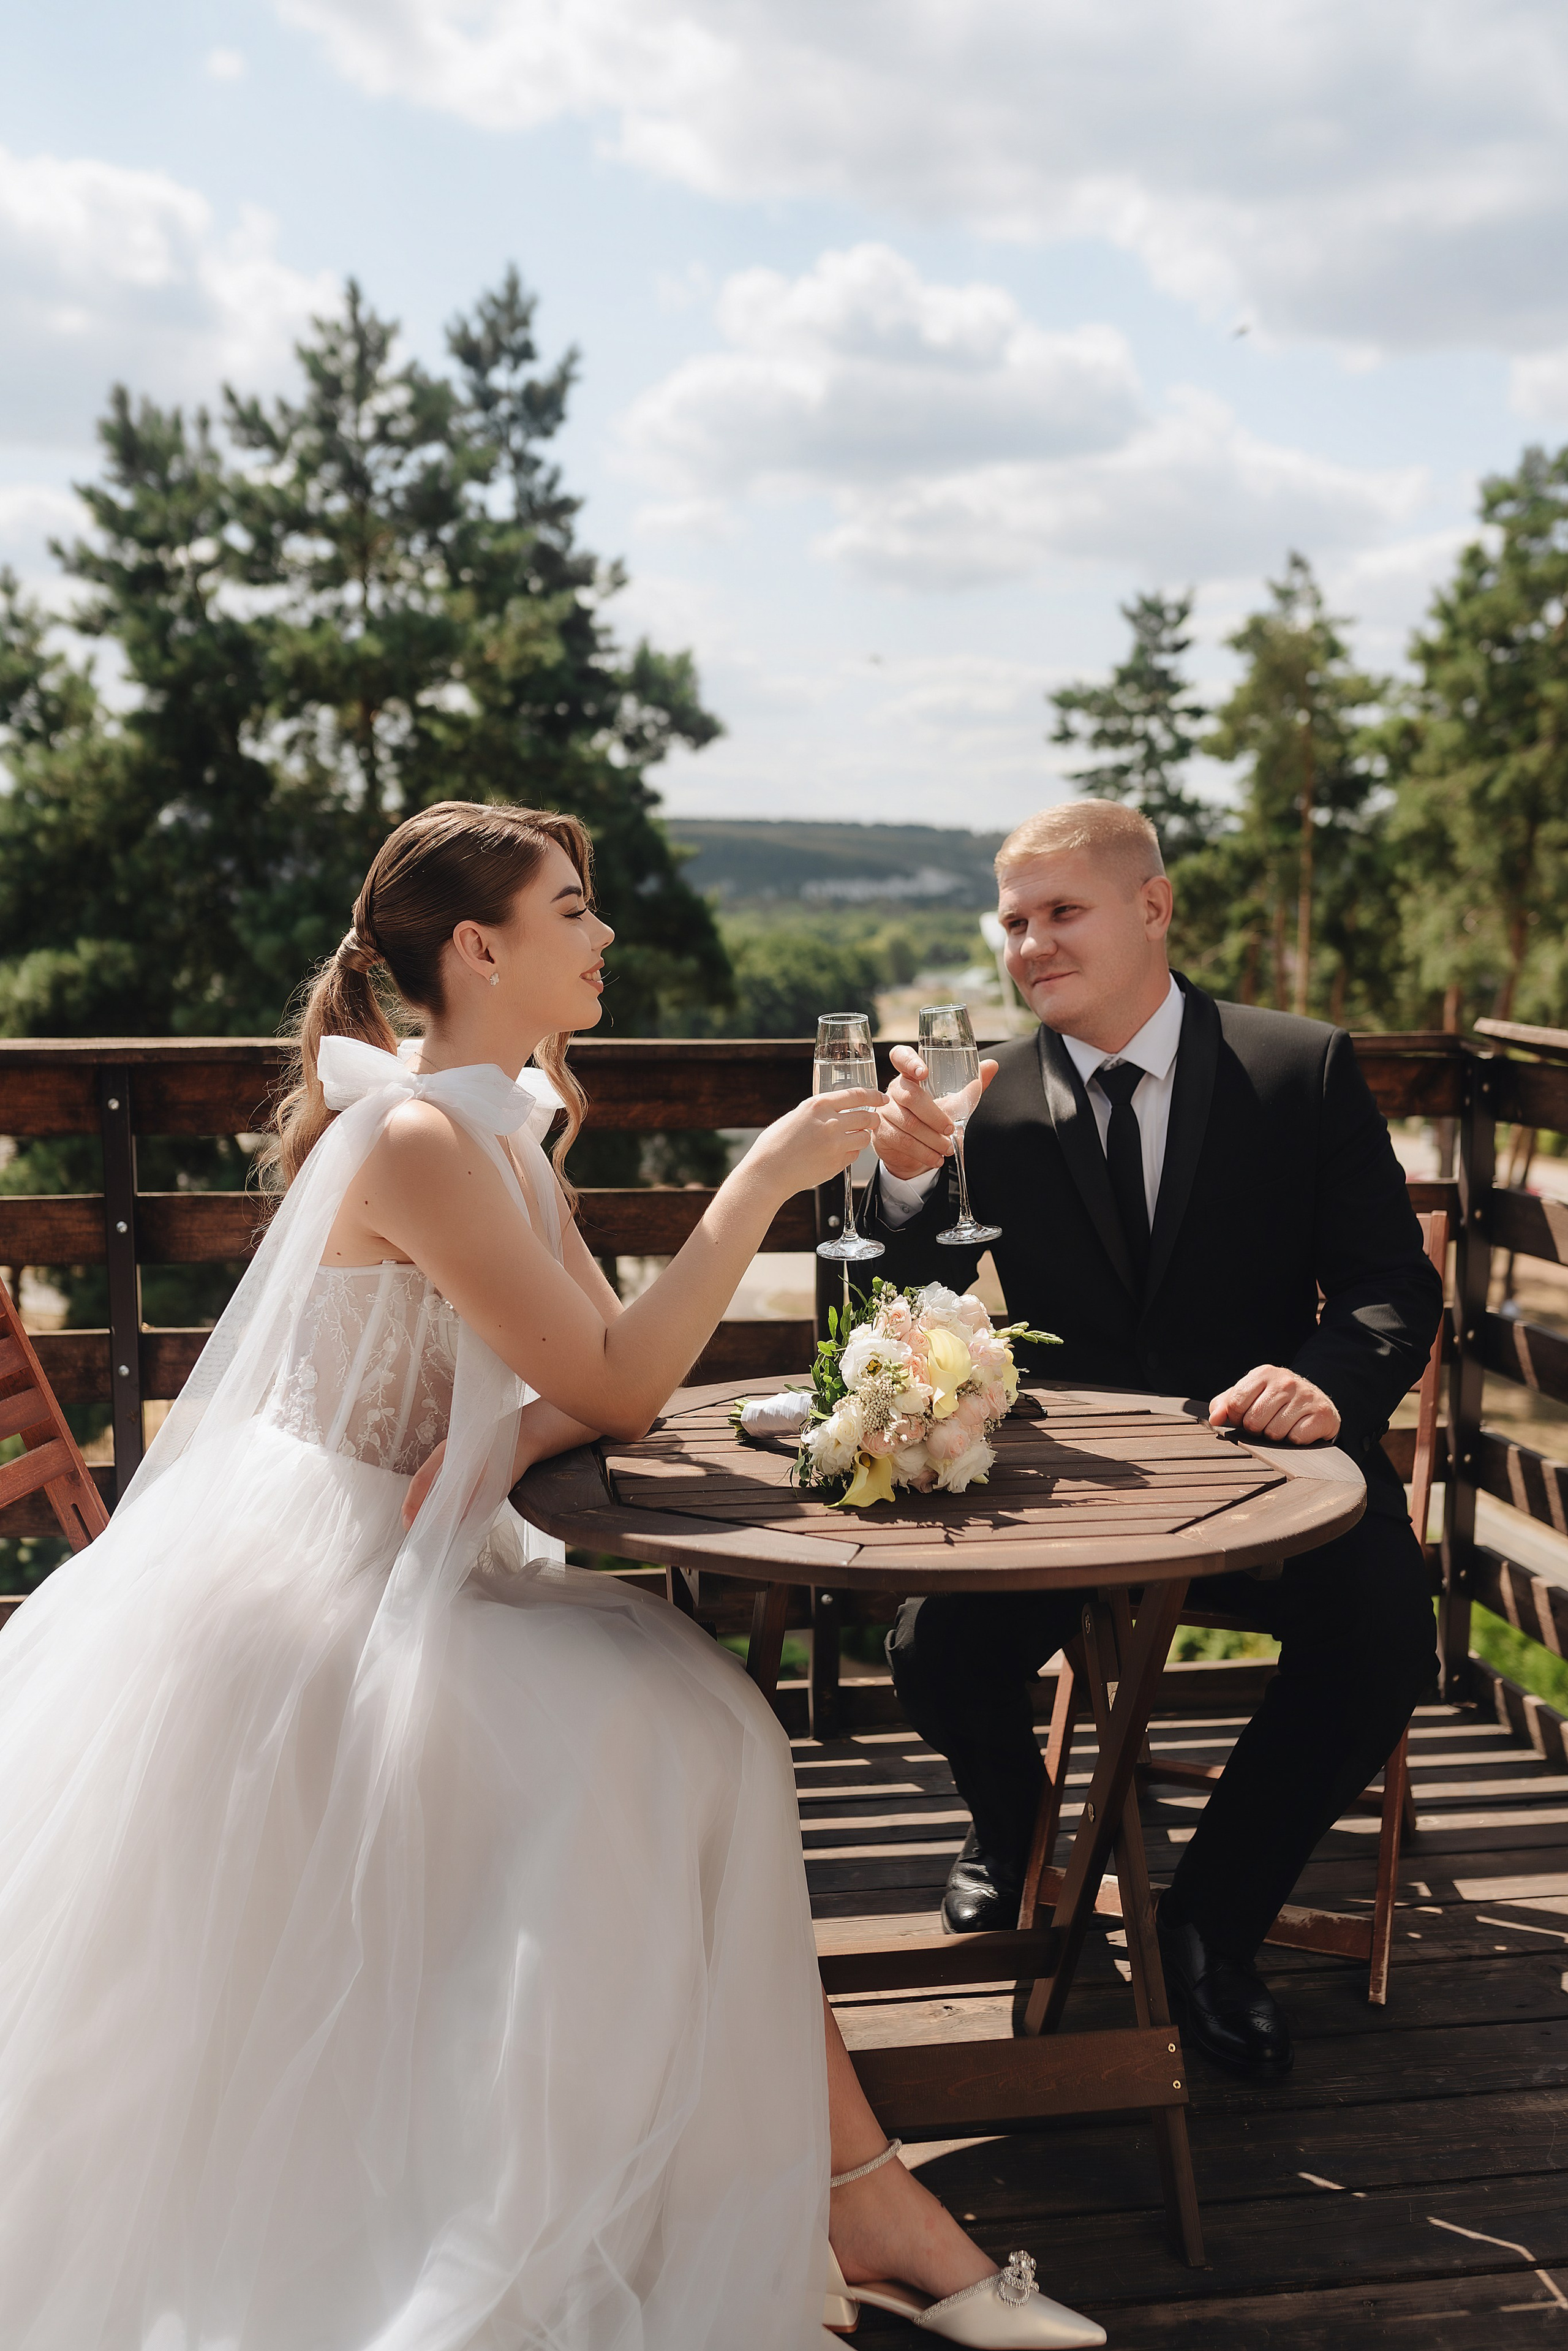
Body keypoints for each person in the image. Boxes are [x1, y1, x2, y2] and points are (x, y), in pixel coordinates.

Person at [0, 799, 1102, 2350]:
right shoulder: (414, 1137)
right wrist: (759, 1180)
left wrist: (499, 1443)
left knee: (696, 1719)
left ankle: (861, 2197)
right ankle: (854, 2201)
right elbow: (621, 1375)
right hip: (312, 1595)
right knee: (681, 1730)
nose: (601, 936)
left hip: (415, 1540)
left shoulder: (496, 1125)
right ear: (478, 944)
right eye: (572, 909)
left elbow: (599, 1384)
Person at [864, 799, 1441, 2080]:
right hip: (1067, 1493)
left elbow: (1388, 1287)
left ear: (1152, 906)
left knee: (1386, 1639)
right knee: (930, 1650)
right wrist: (905, 1181)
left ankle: (1207, 1928)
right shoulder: (988, 1100)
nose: (1030, 945)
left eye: (1060, 912)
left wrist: (1324, 1385)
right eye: (1012, 921)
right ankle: (1014, 1836)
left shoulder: (1297, 1067)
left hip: (1270, 1473)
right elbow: (907, 1308)